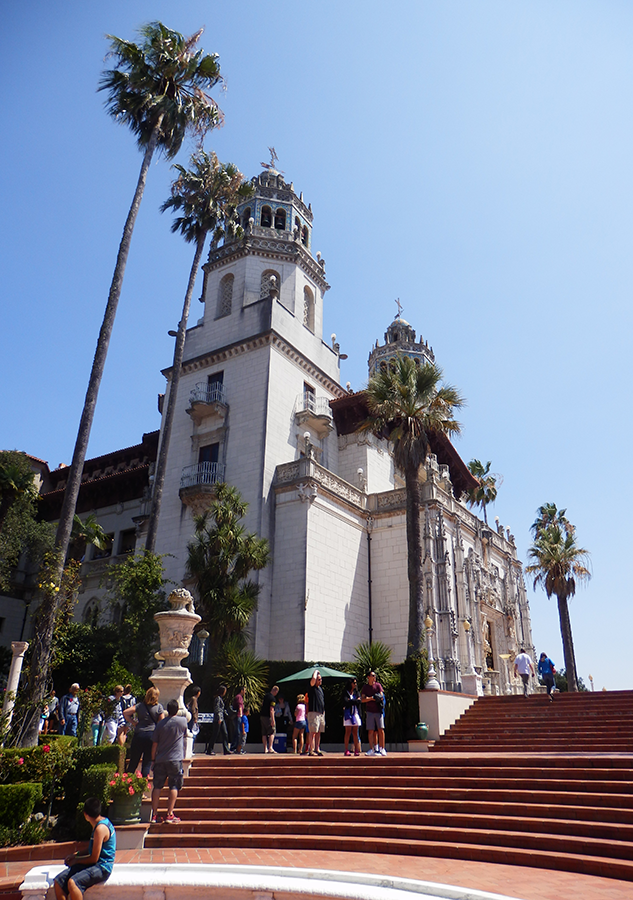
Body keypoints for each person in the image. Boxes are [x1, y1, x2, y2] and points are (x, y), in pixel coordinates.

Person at [53, 797, 115, 900]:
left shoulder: (100, 829)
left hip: (102, 867)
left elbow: (94, 858)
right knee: (59, 882)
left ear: (86, 815)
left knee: (74, 882)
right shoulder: (98, 824)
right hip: (94, 865)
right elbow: (93, 849)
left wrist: (76, 861)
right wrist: (76, 854)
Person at [150, 698, 187, 824]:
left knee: (157, 787)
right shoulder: (182, 721)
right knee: (174, 785)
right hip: (175, 759)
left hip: (160, 758)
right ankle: (169, 813)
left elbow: (154, 744)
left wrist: (153, 759)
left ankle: (154, 815)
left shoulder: (160, 724)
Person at [125, 686, 165, 777]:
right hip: (151, 735)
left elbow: (125, 713)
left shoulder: (140, 706)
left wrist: (134, 723)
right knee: (147, 762)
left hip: (139, 734)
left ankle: (127, 784)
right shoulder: (159, 707)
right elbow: (162, 722)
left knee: (133, 762)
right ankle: (144, 785)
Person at [361, 671, 386, 756]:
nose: (374, 677)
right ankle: (372, 749)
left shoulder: (378, 685)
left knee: (381, 729)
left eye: (375, 676)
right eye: (372, 675)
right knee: (371, 730)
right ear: (368, 677)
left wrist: (377, 697)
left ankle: (382, 748)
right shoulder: (365, 687)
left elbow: (381, 696)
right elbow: (363, 699)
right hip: (369, 711)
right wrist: (371, 698)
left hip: (378, 711)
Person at [208, 685, 232, 755]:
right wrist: (219, 718)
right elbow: (217, 709)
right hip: (218, 719)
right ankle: (210, 749)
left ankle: (226, 749)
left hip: (222, 718)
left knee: (225, 733)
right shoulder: (217, 699)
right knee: (215, 734)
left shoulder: (220, 698)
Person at [307, 670, 326, 757]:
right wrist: (316, 671)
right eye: (319, 679)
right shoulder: (312, 688)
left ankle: (317, 748)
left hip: (320, 713)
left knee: (319, 731)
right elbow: (313, 680)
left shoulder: (320, 689)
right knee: (313, 731)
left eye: (321, 679)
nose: (320, 681)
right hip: (313, 712)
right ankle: (311, 749)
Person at [343, 678, 362, 757]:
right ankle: (346, 749)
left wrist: (351, 701)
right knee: (348, 732)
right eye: (354, 683)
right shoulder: (345, 692)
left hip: (355, 713)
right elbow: (345, 702)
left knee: (355, 732)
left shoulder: (356, 692)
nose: (355, 684)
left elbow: (359, 701)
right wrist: (354, 701)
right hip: (348, 714)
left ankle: (356, 749)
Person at [260, 685, 279, 754]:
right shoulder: (272, 699)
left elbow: (262, 704)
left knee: (264, 733)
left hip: (262, 716)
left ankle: (265, 748)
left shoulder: (266, 696)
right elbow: (271, 709)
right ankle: (270, 748)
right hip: (268, 717)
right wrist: (273, 720)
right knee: (272, 731)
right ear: (275, 691)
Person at [230, 685, 245, 751]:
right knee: (238, 732)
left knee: (237, 732)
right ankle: (235, 747)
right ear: (241, 690)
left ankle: (235, 747)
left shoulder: (239, 697)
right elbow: (239, 705)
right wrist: (241, 714)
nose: (245, 692)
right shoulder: (239, 697)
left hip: (238, 716)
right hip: (238, 716)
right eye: (244, 690)